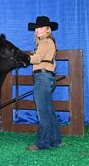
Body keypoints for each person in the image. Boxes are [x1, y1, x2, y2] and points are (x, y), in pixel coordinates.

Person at [26, 16, 62, 151]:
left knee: (42, 112)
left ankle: (41, 143)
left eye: (41, 28)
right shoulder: (49, 41)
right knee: (49, 110)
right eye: (36, 28)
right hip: (47, 77)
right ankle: (55, 140)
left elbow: (37, 58)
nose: (38, 30)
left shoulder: (45, 42)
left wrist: (23, 58)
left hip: (42, 77)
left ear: (48, 29)